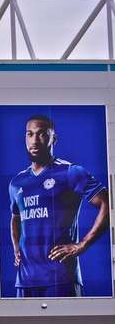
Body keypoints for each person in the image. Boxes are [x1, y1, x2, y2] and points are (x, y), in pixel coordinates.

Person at [8, 114, 109, 297]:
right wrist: (16, 248)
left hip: (60, 277)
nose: (35, 140)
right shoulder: (17, 182)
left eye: (42, 134)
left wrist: (82, 245)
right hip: (25, 280)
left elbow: (107, 203)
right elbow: (15, 218)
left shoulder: (70, 172)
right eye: (30, 134)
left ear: (53, 138)